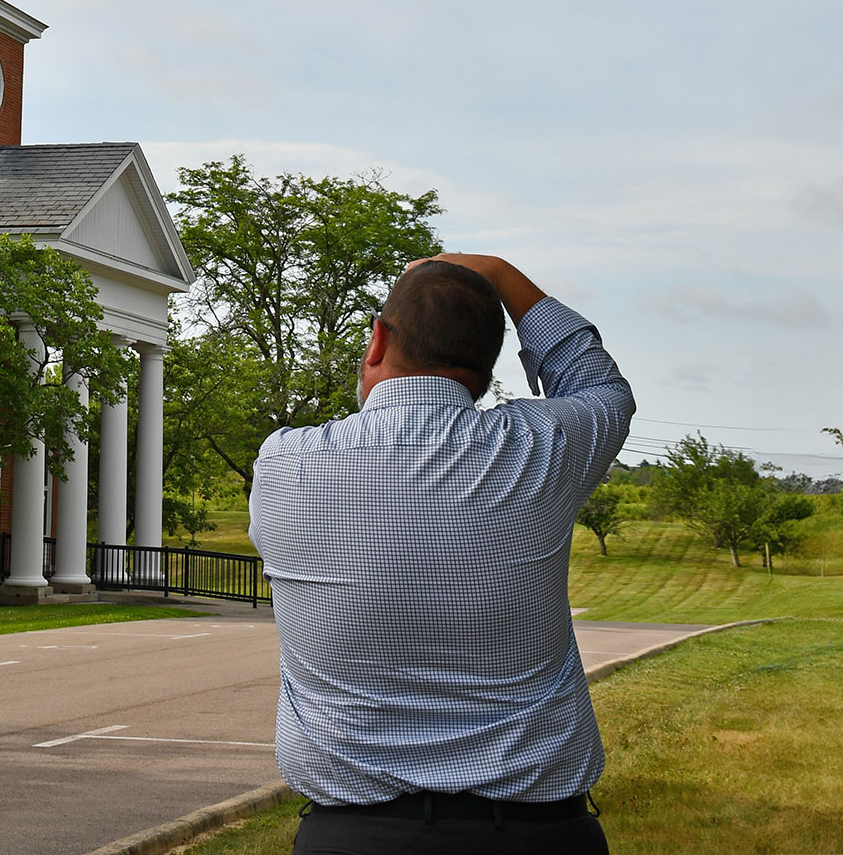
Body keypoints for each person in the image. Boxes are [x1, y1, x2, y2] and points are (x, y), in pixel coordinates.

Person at [250, 252, 636, 852]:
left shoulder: (286, 464)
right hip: (537, 836)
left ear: (377, 340)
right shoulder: (544, 449)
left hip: (352, 837)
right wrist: (502, 276)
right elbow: (600, 387)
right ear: (486, 369)